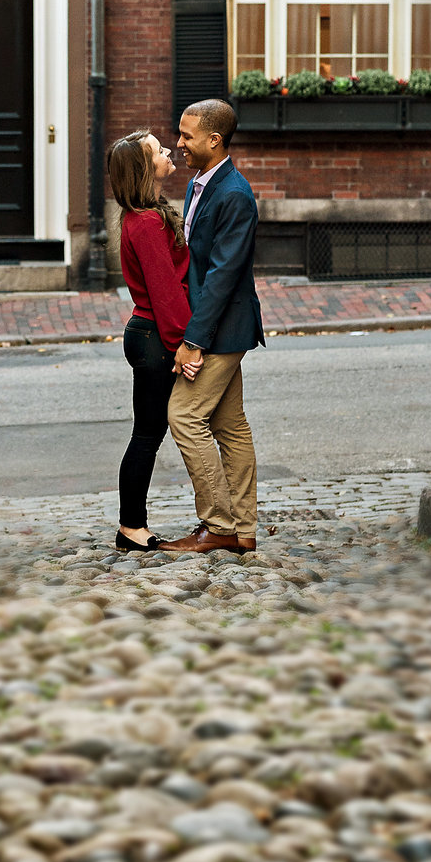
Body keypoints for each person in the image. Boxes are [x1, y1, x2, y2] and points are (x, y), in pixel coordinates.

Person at [160, 98, 264, 555]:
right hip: (217, 323)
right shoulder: (199, 183)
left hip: (220, 327)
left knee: (183, 416)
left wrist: (193, 341)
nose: (178, 142)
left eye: (186, 135)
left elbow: (222, 276)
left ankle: (218, 524)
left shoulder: (235, 194)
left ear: (214, 140)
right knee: (230, 424)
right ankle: (243, 530)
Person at [107, 129, 191, 552]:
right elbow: (165, 292)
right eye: (159, 150)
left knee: (148, 432)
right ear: (145, 168)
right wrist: (184, 345)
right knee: (146, 435)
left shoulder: (146, 214)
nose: (168, 151)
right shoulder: (146, 222)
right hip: (156, 336)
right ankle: (131, 527)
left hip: (150, 333)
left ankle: (131, 524)